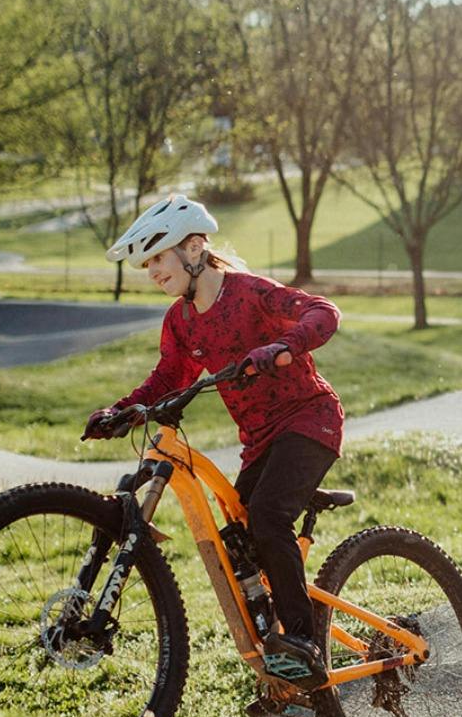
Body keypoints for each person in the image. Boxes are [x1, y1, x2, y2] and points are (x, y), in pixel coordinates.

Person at [84, 193, 344, 688]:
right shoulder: (181, 321)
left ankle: (305, 642)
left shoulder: (248, 294)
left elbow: (323, 312)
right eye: (146, 264)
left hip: (310, 421)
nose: (151, 271)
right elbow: (168, 377)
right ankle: (278, 658)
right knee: (241, 542)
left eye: (158, 257)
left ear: (195, 247)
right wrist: (121, 412)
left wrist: (284, 346)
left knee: (267, 517)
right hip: (260, 442)